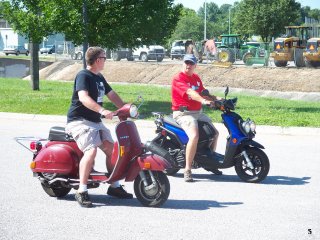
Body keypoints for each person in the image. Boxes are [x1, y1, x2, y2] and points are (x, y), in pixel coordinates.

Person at [66, 46, 133, 208]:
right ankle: (81, 191)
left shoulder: (99, 77)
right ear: (97, 60)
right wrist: (102, 110)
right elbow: (83, 97)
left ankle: (114, 186)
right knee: (91, 150)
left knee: (112, 149)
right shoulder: (83, 75)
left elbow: (111, 94)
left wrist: (125, 108)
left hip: (95, 122)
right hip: (79, 121)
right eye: (104, 57)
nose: (105, 60)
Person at [171, 54, 223, 182]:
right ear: (183, 63)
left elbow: (203, 92)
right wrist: (202, 100)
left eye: (191, 63)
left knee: (215, 133)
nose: (188, 65)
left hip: (197, 112)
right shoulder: (178, 78)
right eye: (186, 63)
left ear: (195, 65)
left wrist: (217, 99)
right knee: (194, 136)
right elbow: (190, 93)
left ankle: (208, 163)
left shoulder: (196, 78)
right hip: (183, 113)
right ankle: (187, 169)